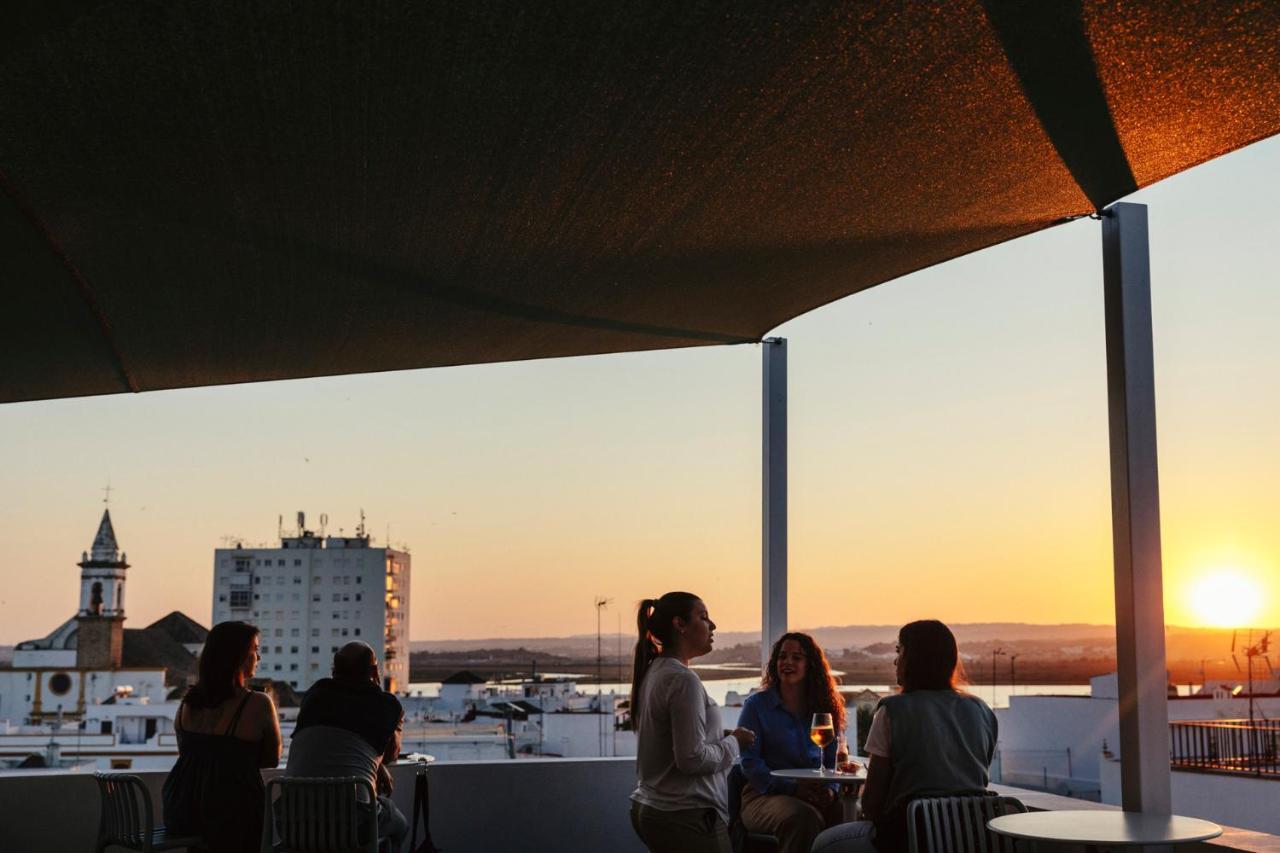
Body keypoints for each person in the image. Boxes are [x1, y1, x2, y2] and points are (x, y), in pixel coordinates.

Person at [812, 620, 997, 853]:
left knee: (824, 844)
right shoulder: (981, 711)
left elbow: (872, 804)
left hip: (912, 835)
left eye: (899, 651)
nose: (895, 660)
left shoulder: (892, 710)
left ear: (913, 659)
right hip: (971, 835)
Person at [629, 592, 756, 853]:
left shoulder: (657, 671)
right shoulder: (683, 680)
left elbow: (677, 737)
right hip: (685, 816)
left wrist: (719, 735)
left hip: (656, 808)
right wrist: (735, 743)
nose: (713, 626)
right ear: (680, 624)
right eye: (704, 617)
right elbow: (691, 759)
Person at [163, 621, 282, 853]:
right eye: (255, 649)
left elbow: (188, 756)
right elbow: (272, 759)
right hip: (232, 813)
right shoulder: (256, 702)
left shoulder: (187, 703)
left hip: (182, 811)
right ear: (237, 656)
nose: (259, 657)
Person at [285, 642, 408, 849]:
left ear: (334, 671)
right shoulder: (385, 704)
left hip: (293, 821)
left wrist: (376, 765)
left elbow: (333, 741)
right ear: (374, 671)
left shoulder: (315, 695)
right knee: (399, 825)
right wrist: (396, 727)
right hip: (350, 824)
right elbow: (391, 754)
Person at [737, 632, 847, 853]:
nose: (787, 662)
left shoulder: (823, 709)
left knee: (852, 815)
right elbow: (750, 763)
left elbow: (831, 761)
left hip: (815, 793)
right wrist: (793, 789)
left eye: (797, 657)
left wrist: (831, 791)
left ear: (810, 666)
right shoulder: (756, 706)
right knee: (804, 818)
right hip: (763, 795)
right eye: (782, 657)